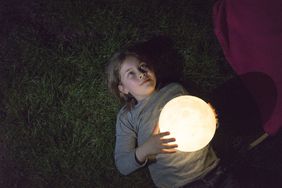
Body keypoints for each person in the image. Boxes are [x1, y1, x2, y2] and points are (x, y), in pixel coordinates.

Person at [106, 39, 240, 188]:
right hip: (181, 185)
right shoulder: (128, 116)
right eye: (130, 73)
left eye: (143, 66)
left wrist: (208, 119)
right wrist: (147, 149)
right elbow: (123, 165)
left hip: (215, 171)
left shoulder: (175, 89)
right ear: (123, 89)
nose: (141, 74)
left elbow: (198, 121)